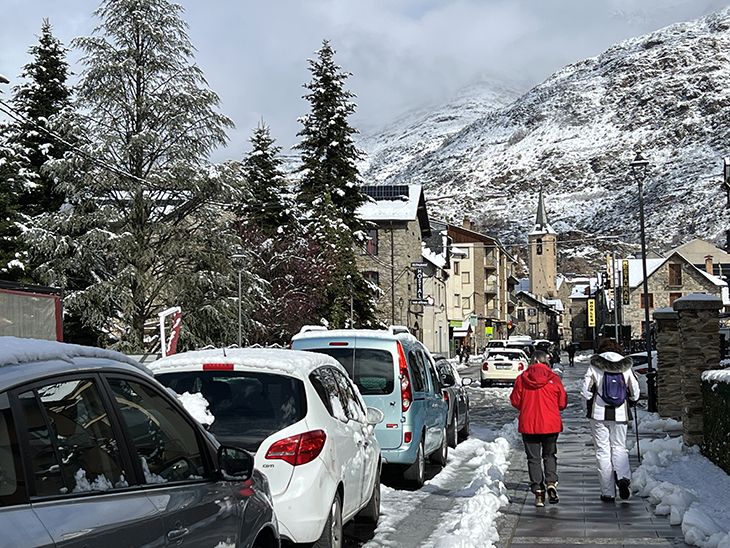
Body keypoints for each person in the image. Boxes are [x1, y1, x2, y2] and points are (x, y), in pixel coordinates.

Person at [581, 338, 640, 502]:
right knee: (620, 447)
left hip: (598, 414)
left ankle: (607, 491)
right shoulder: (625, 366)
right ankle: (622, 477)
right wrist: (633, 401)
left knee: (602, 451)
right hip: (620, 413)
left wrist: (587, 410)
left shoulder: (594, 365)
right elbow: (635, 390)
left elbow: (585, 392)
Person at [510, 350, 568, 507]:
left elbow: (515, 401)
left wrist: (528, 405)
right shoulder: (554, 379)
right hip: (550, 424)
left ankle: (538, 493)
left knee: (533, 459)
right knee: (549, 455)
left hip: (529, 424)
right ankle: (551, 482)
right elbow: (562, 403)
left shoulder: (522, 379)